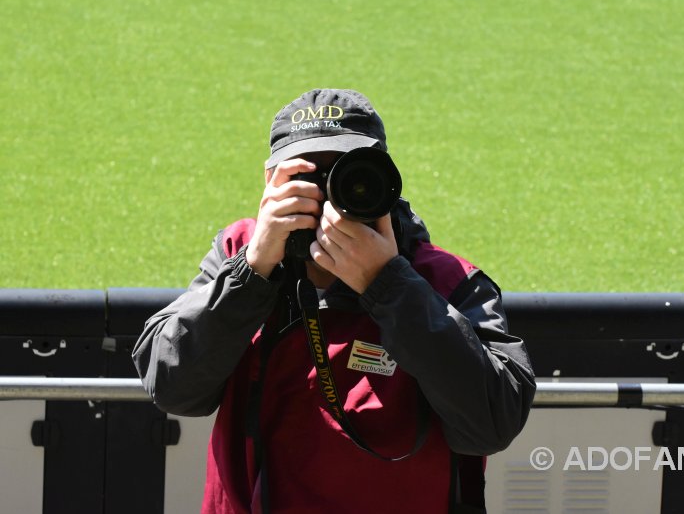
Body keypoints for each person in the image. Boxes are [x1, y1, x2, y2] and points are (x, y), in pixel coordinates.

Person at [132, 88, 535, 514]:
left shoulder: (446, 280)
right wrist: (253, 271)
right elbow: (172, 387)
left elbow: (493, 423)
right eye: (306, 178)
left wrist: (389, 286)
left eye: (348, 176)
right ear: (270, 182)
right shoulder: (241, 251)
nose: (327, 196)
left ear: (385, 181)